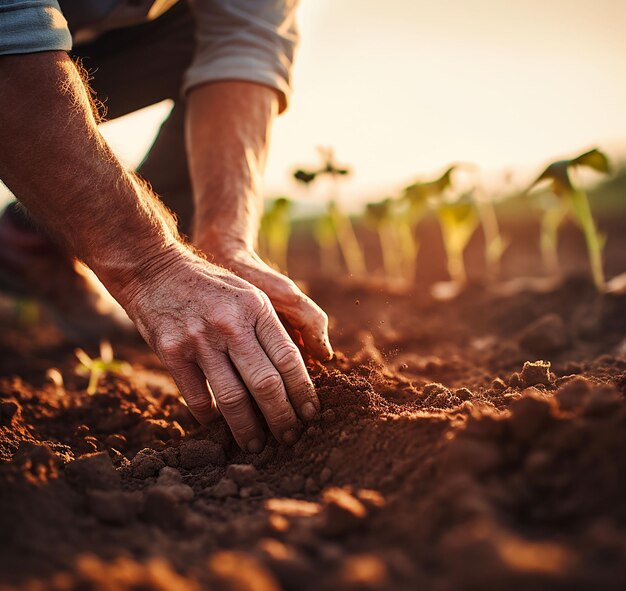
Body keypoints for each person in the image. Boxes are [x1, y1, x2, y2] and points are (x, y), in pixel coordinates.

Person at [0, 0, 333, 453]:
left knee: (199, 29)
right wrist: (149, 264)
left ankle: (42, 232)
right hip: (19, 48)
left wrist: (225, 245)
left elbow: (245, 39)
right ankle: (77, 228)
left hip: (77, 45)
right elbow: (9, 35)